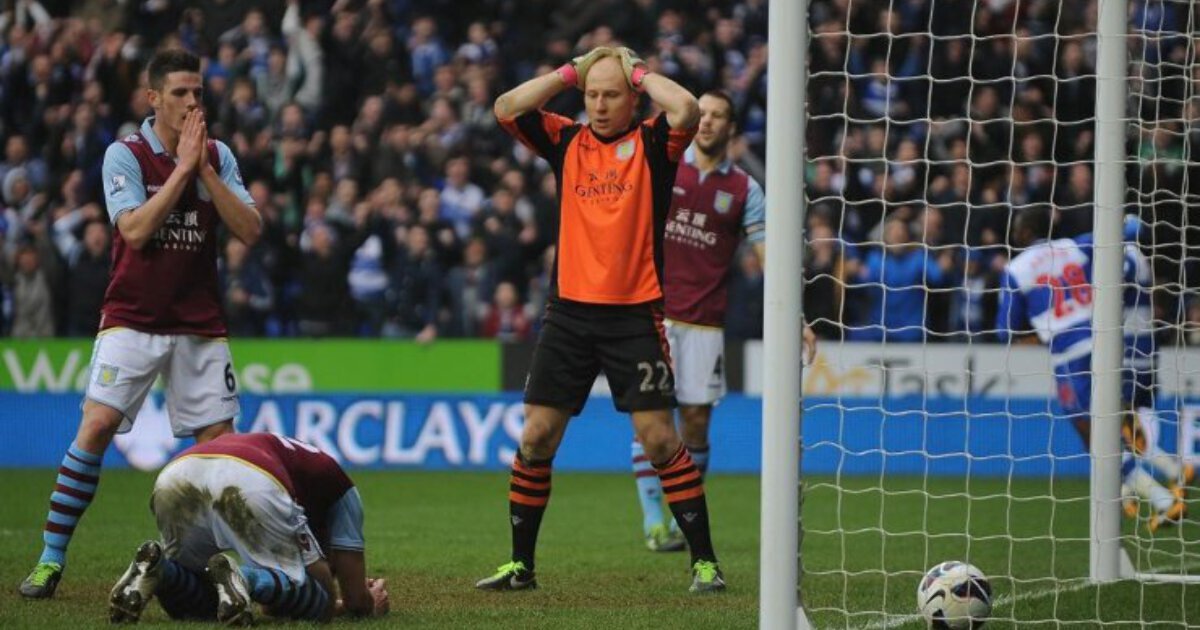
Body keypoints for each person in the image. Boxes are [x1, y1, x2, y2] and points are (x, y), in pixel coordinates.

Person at [476, 45, 725, 593]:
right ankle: (521, 566)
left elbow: (685, 109)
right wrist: (570, 70)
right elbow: (505, 107)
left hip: (634, 315)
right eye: (592, 94)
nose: (600, 104)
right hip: (567, 315)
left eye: (612, 94)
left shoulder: (655, 144)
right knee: (537, 436)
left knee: (659, 440)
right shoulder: (566, 141)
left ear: (633, 97)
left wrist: (636, 70)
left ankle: (704, 562)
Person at [20, 49, 262, 599]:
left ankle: (222, 566)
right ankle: (50, 560)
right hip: (131, 317)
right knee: (97, 426)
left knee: (221, 447)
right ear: (153, 98)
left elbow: (250, 229)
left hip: (199, 324)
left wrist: (203, 170)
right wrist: (182, 170)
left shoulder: (218, 156)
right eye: (180, 92)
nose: (192, 101)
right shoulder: (123, 155)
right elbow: (133, 231)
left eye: (198, 92)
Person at [629, 90, 817, 552]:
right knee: (650, 423)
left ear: (731, 128)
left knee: (694, 425)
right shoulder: (663, 164)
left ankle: (683, 514)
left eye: (717, 116)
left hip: (704, 325)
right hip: (649, 313)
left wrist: (795, 316)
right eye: (703, 114)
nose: (708, 121)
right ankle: (654, 523)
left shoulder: (745, 191)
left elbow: (769, 257)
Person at [996, 205, 1186, 532]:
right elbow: (1130, 230)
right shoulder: (1077, 244)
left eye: (1016, 228)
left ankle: (1160, 497)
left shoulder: (1016, 269)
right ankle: (1157, 481)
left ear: (1024, 232)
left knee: (1092, 433)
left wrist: (1048, 333)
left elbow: (1005, 333)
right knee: (1115, 421)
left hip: (1071, 352)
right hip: (1109, 341)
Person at [107, 432, 389, 624]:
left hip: (176, 472)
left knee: (202, 602)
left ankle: (160, 571)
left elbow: (272, 607)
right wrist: (368, 602)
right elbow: (347, 597)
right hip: (252, 478)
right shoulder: (344, 493)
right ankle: (244, 578)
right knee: (321, 602)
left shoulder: (303, 464)